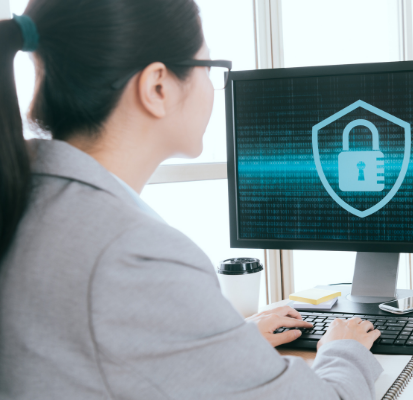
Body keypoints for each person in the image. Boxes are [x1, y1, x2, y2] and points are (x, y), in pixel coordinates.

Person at [0, 1, 382, 399]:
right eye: (209, 67)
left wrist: (226, 340)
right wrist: (345, 349)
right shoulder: (131, 255)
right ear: (157, 87)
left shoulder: (28, 201)